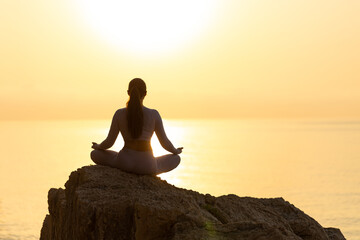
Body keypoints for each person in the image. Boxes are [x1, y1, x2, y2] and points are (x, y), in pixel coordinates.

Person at [91, 78, 182, 175]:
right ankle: (155, 167)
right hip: (147, 165)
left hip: (124, 162)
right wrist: (176, 150)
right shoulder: (154, 114)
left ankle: (125, 162)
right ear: (145, 93)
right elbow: (164, 142)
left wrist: (98, 146)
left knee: (95, 154)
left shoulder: (119, 113)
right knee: (176, 158)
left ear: (128, 92)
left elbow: (109, 142)